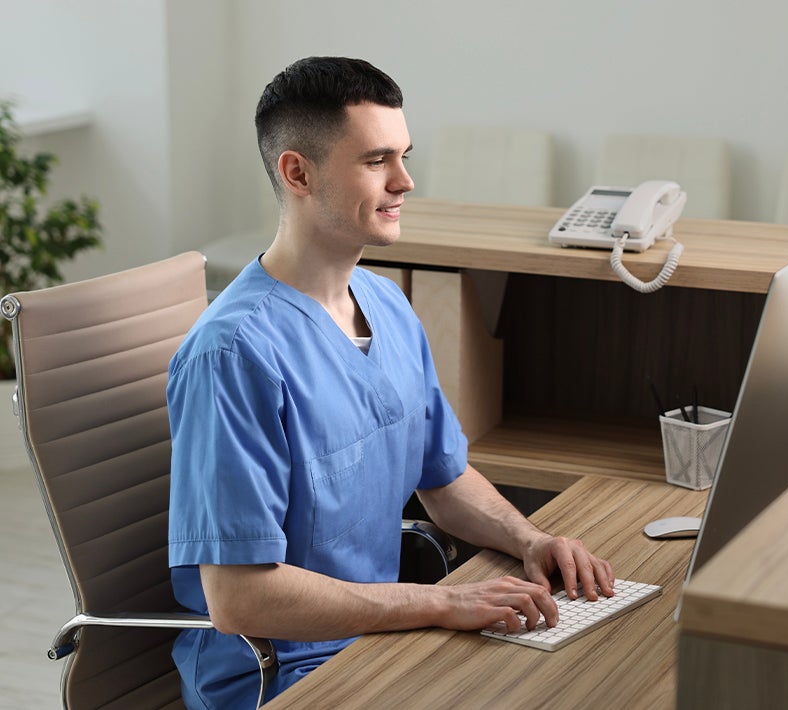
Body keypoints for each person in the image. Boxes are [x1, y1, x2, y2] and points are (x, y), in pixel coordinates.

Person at [167, 56, 614, 708]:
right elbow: (240, 597)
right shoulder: (234, 355)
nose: (406, 180)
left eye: (403, 156)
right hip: (285, 677)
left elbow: (443, 477)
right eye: (377, 161)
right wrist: (441, 600)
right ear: (298, 172)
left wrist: (531, 540)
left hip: (389, 642)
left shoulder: (389, 306)